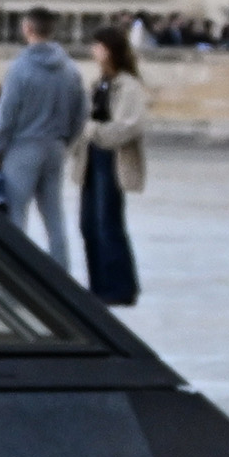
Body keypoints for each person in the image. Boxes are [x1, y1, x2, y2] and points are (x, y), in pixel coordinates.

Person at [0, 7, 85, 266]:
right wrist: (65, 142)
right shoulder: (70, 69)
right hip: (55, 147)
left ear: (27, 29)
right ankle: (62, 273)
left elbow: (6, 116)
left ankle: (15, 273)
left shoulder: (20, 69)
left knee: (16, 215)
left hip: (23, 147)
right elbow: (80, 114)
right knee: (54, 216)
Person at [78, 23, 150, 306]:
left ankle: (120, 287)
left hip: (113, 158)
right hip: (91, 157)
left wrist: (92, 131)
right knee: (88, 223)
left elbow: (127, 126)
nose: (94, 51)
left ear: (109, 51)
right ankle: (98, 284)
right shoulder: (100, 83)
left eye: (98, 46)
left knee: (108, 223)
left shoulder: (128, 86)